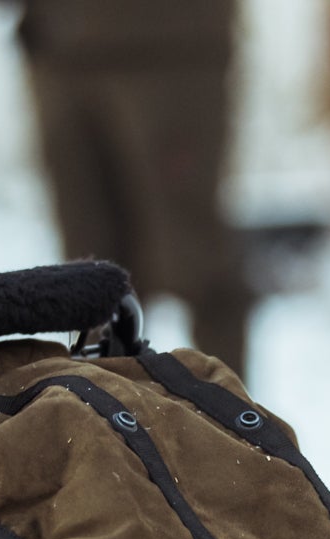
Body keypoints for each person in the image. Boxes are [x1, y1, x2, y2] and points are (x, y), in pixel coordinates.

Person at [16, 0, 253, 375]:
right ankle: (106, 424)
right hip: (59, 45)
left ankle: (235, 426)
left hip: (166, 46)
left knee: (192, 258)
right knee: (90, 278)